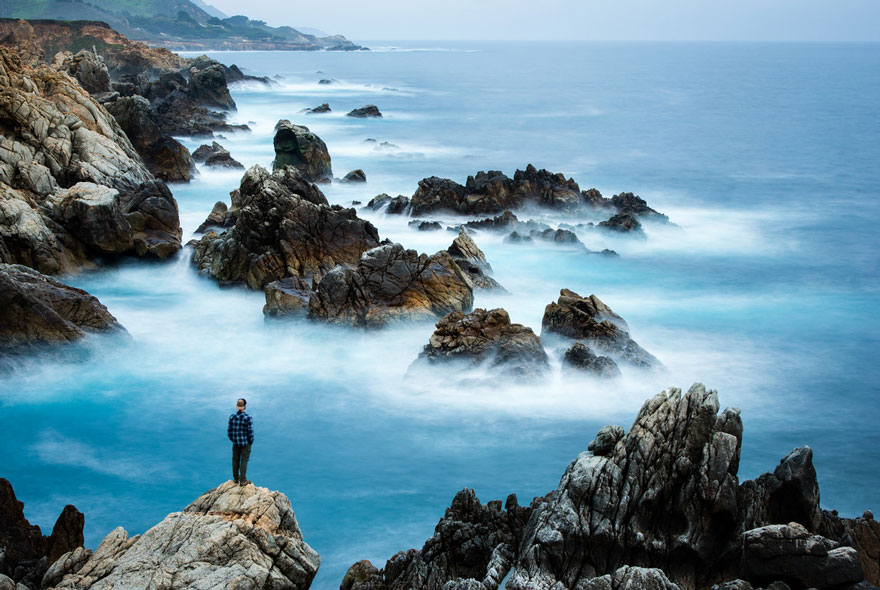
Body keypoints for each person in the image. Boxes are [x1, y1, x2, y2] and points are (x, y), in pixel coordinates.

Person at [228, 397, 254, 486]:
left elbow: (229, 432)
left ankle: (235, 478)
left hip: (235, 443)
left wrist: (234, 439)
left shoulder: (232, 417)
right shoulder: (248, 417)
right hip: (245, 443)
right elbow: (250, 432)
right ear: (245, 406)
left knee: (235, 459)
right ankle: (243, 480)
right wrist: (250, 441)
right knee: (244, 460)